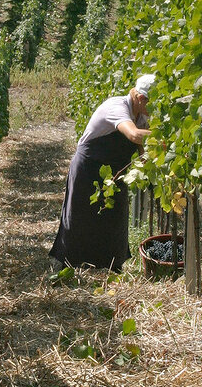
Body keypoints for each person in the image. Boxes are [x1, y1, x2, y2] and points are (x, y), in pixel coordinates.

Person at [49, 75, 154, 273]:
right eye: (151, 102)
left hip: (114, 173)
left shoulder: (142, 117)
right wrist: (166, 136)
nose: (154, 108)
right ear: (140, 98)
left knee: (115, 218)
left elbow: (143, 151)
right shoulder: (117, 107)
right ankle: (66, 266)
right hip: (88, 166)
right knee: (79, 217)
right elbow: (133, 135)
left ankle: (111, 266)